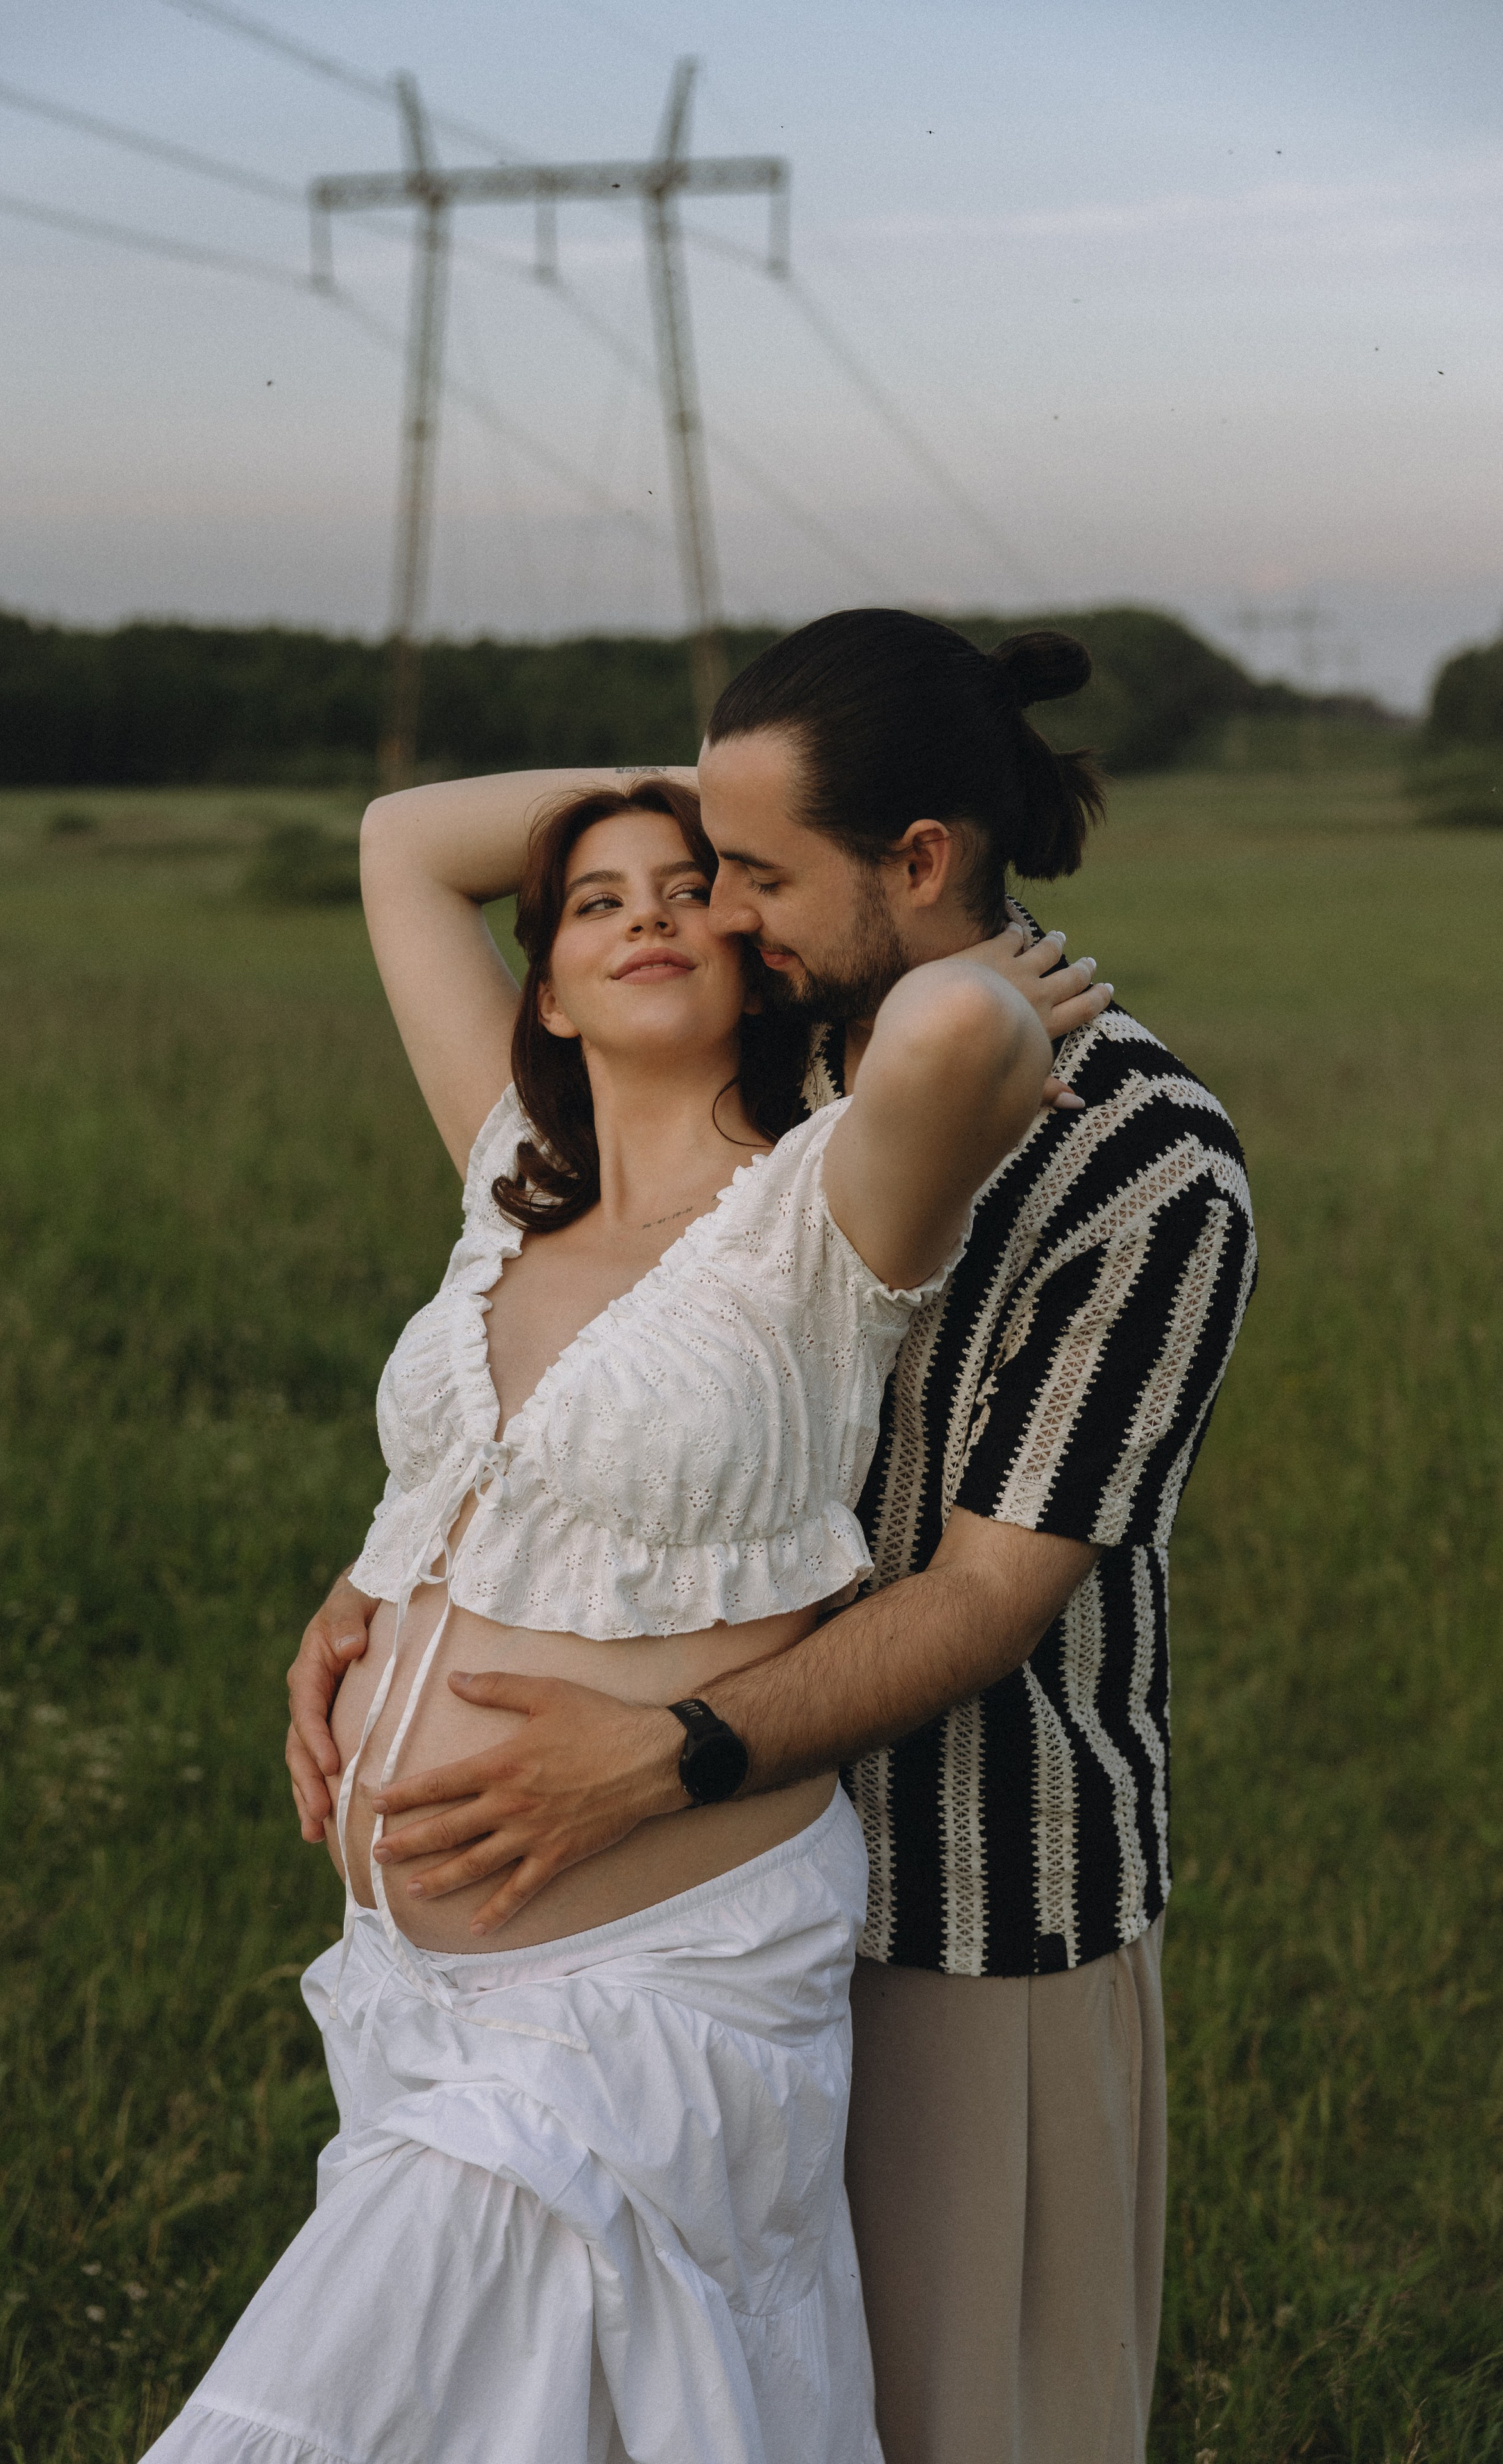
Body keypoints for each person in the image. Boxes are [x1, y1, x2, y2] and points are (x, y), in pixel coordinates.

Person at [288, 612, 1257, 2464]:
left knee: (972, 2418)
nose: (711, 918)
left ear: (920, 858)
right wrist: (388, 1578)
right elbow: (566, 1406)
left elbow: (988, 1592)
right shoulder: (762, 1050)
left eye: (749, 875)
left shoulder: (1148, 1169)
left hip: (969, 1887)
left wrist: (657, 1765)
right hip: (655, 1910)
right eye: (679, 886)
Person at [151, 740, 1108, 2464]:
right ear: (551, 987)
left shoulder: (821, 1211)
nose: (650, 916)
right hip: (410, 1985)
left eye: (695, 889)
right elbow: (397, 839)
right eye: (596, 903)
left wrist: (765, 822)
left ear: (757, 952)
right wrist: (371, 1585)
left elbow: (965, 1036)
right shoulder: (509, 1168)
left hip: (656, 1982)